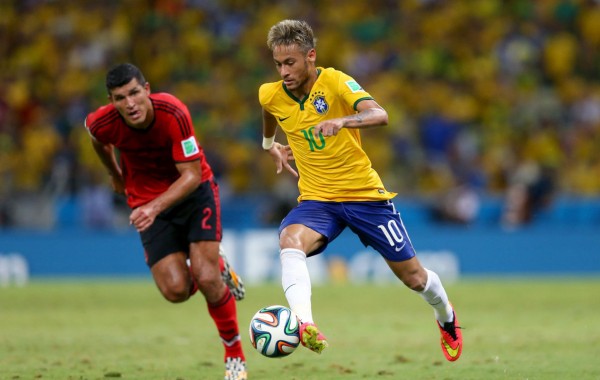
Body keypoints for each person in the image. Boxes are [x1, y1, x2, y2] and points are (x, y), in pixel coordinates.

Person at [258, 20, 463, 362]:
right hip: (318, 201)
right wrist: (269, 144)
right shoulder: (270, 92)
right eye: (278, 64)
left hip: (365, 197)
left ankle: (446, 315)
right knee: (289, 241)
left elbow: (380, 115)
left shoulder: (336, 82)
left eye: (290, 62)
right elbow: (268, 110)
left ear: (311, 56)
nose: (283, 71)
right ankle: (305, 323)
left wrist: (342, 121)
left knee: (414, 278)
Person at [85, 63, 247, 380]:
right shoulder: (102, 122)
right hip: (147, 202)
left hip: (193, 195)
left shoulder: (173, 112)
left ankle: (235, 358)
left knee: (205, 276)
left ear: (146, 89)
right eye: (120, 98)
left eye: (134, 93)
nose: (129, 103)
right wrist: (114, 173)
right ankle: (217, 266)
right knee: (175, 290)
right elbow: (96, 138)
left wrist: (153, 208)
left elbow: (191, 175)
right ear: (112, 101)